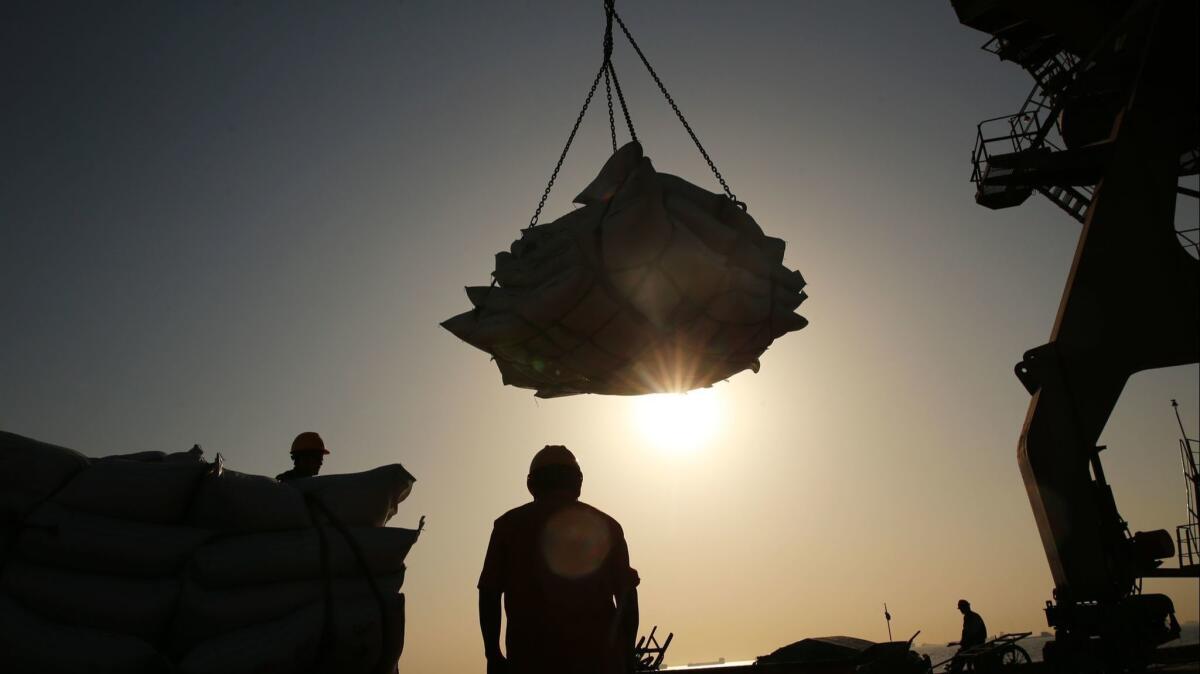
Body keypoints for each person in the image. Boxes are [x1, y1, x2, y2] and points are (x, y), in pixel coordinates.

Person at [478, 445, 640, 674]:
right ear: (578, 481)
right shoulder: (608, 527)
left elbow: (489, 594)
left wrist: (492, 655)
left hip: (530, 662)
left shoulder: (508, 527)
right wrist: (628, 655)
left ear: (531, 483)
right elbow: (627, 597)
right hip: (600, 663)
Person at [948, 599, 987, 673]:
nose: (961, 611)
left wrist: (962, 642)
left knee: (962, 654)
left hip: (977, 642)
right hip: (974, 641)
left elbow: (967, 632)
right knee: (962, 653)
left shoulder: (970, 617)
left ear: (965, 608)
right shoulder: (971, 615)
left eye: (961, 609)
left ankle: (956, 668)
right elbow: (966, 633)